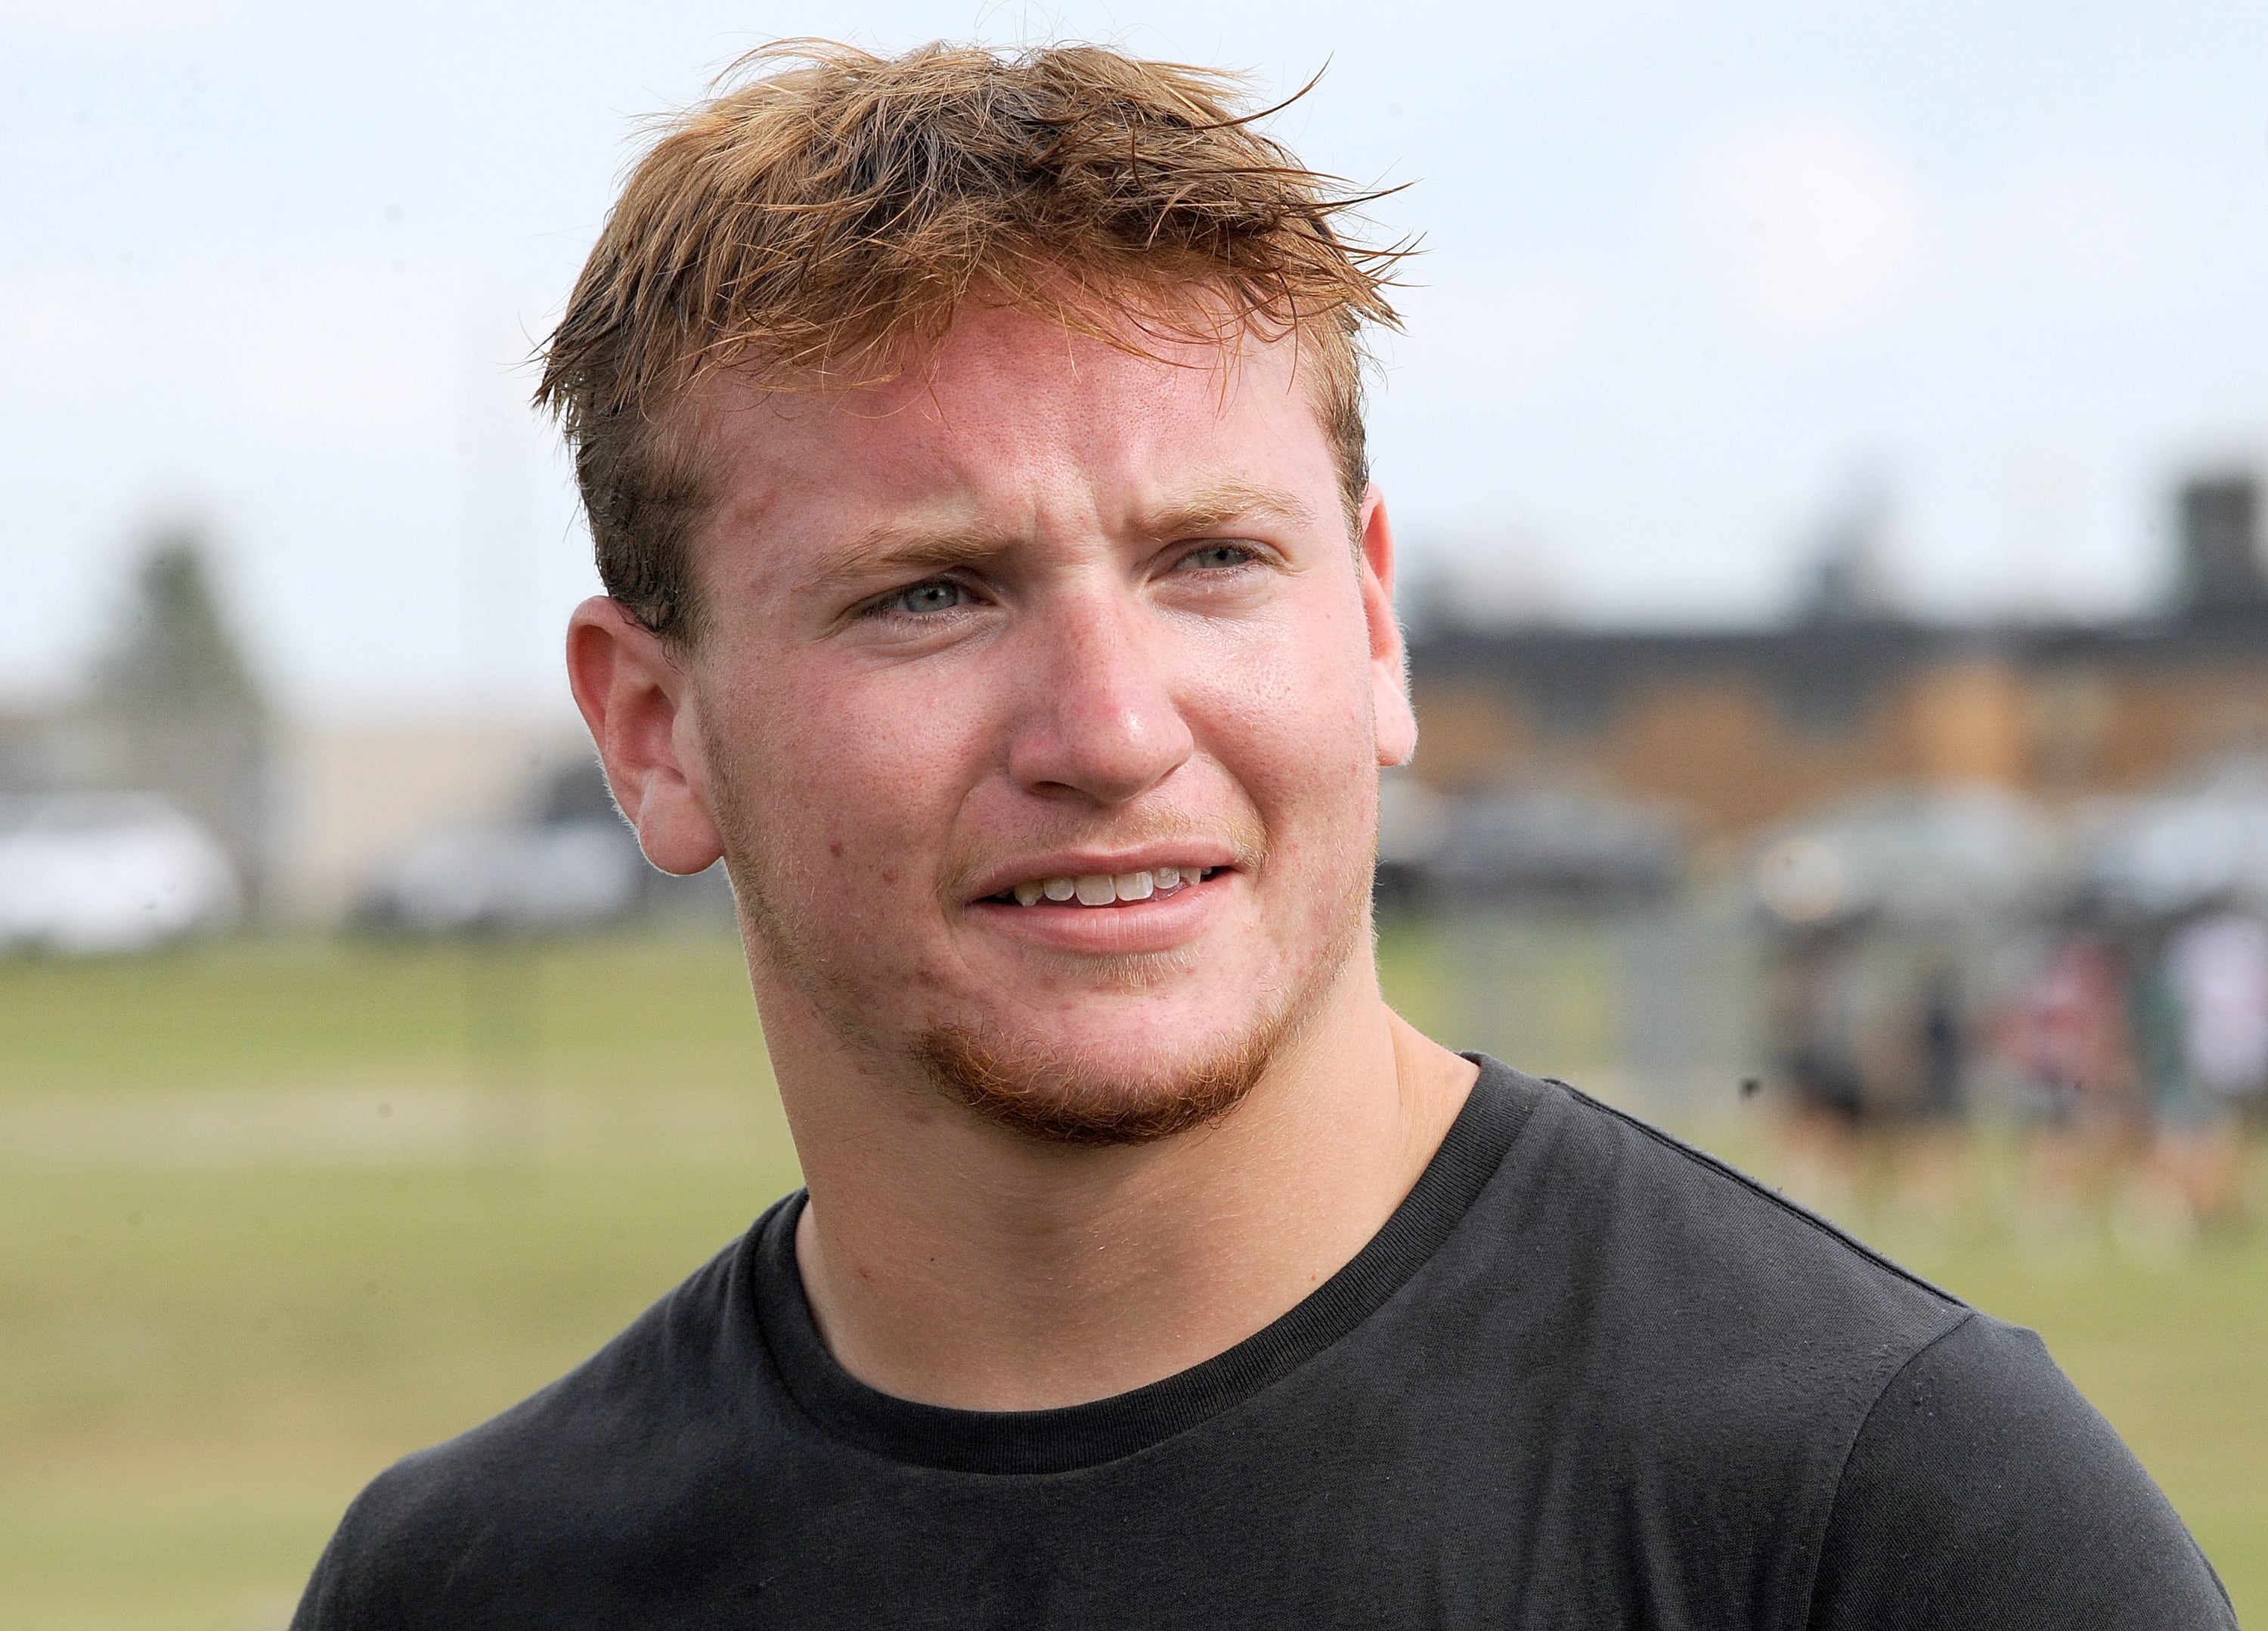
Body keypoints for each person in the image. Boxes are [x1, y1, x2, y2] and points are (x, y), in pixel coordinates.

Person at [293, 42, 2235, 1629]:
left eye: (1211, 559)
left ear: (1373, 622)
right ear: (654, 730)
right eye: (931, 595)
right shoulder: (468, 1579)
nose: (1115, 731)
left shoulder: (1888, 1522)